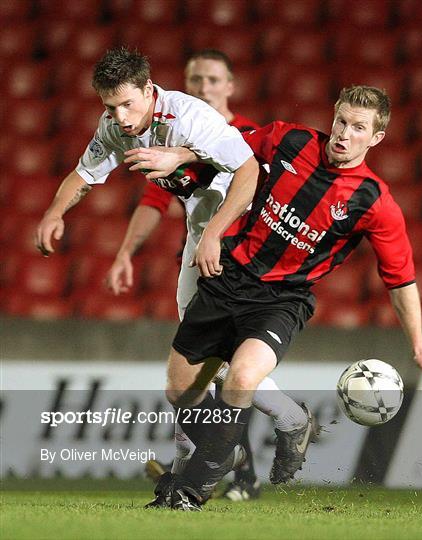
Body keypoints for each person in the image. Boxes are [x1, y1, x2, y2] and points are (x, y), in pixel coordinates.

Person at [145, 85, 422, 511]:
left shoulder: (374, 201)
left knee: (241, 378)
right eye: (342, 122)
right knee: (180, 391)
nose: (344, 135)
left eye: (359, 128)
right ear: (333, 116)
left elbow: (400, 280)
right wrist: (180, 156)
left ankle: (193, 488)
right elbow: (227, 148)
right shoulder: (288, 139)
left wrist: (419, 346)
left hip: (282, 300)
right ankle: (227, 450)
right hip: (229, 278)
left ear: (377, 137)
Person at [35, 47, 321, 498]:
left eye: (128, 103)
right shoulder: (114, 126)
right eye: (110, 106)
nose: (120, 116)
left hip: (239, 236)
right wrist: (54, 212)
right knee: (189, 370)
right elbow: (83, 174)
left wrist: (187, 171)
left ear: (150, 90)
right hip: (199, 236)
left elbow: (247, 170)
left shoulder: (191, 117)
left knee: (217, 358)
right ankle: (275, 425)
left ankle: (206, 460)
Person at [104, 49, 264, 501]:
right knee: (203, 370)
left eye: (213, 79)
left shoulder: (249, 135)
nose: (203, 87)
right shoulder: (170, 130)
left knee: (229, 369)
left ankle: (232, 469)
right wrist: (125, 253)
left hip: (241, 260)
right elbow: (154, 202)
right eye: (195, 78)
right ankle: (206, 466)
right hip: (199, 253)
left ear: (230, 86)